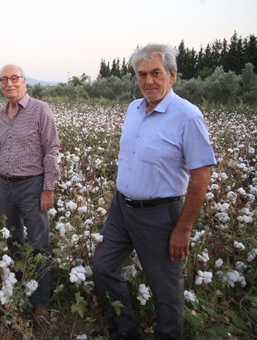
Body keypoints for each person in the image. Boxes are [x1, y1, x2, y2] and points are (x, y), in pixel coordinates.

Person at [92, 44, 216, 339]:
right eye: (142, 74)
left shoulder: (187, 117)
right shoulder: (133, 109)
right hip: (122, 209)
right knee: (102, 265)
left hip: (160, 215)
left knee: (165, 289)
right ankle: (124, 331)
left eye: (156, 73)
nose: (148, 80)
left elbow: (201, 178)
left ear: (172, 75)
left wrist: (183, 228)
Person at [0, 64, 60, 322]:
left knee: (39, 244)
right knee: (13, 241)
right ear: (0, 84)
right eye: (4, 80)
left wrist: (48, 188)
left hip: (32, 186)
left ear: (24, 81)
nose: (9, 83)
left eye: (14, 78)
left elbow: (51, 150)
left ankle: (40, 303)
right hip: (5, 186)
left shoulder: (40, 110)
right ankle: (17, 291)